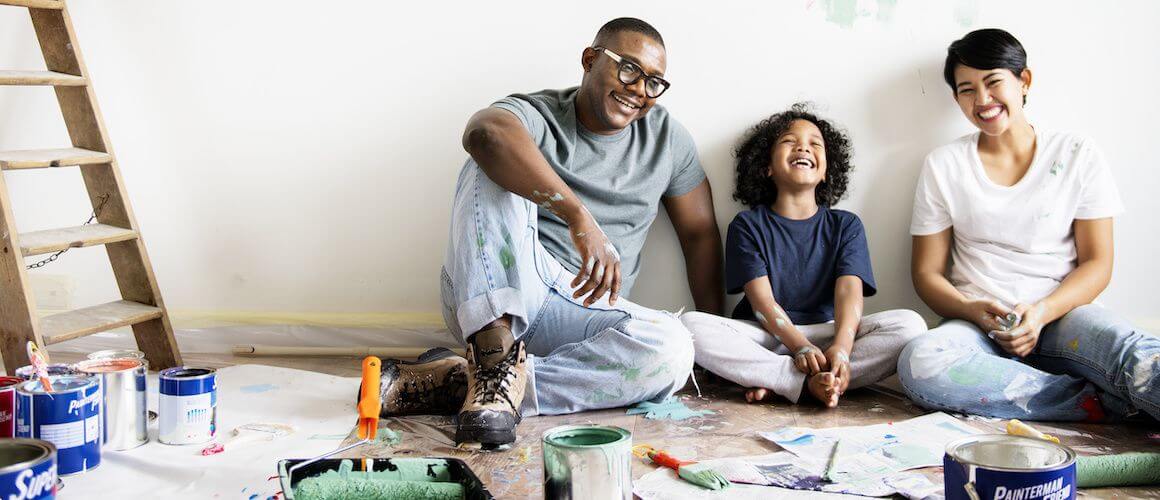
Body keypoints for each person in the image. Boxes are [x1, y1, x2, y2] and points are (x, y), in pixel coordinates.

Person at [376, 18, 725, 449]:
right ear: (590, 59)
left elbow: (700, 234)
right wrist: (578, 216)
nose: (639, 89)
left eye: (654, 82)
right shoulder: (540, 113)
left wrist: (717, 335)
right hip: (506, 287)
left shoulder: (668, 140)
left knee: (674, 350)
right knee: (486, 164)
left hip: (586, 314)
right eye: (629, 69)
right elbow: (484, 134)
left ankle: (476, 383)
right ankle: (492, 351)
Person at [898, 28, 1159, 421]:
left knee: (1138, 356)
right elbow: (926, 273)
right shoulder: (944, 164)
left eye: (993, 82)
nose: (982, 100)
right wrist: (971, 309)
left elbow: (1098, 263)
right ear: (956, 98)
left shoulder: (1076, 152)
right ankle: (1103, 404)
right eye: (967, 89)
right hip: (978, 329)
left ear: (1024, 81)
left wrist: (1040, 313)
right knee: (920, 362)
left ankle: (1108, 389)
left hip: (1063, 317)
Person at [682, 104, 926, 408]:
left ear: (826, 171)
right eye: (788, 141)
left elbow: (850, 293)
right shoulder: (747, 225)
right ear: (766, 167)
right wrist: (798, 347)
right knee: (691, 327)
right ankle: (797, 380)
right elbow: (762, 304)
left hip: (826, 334)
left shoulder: (846, 225)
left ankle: (802, 380)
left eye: (815, 143)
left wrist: (842, 348)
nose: (803, 147)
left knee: (910, 325)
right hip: (767, 336)